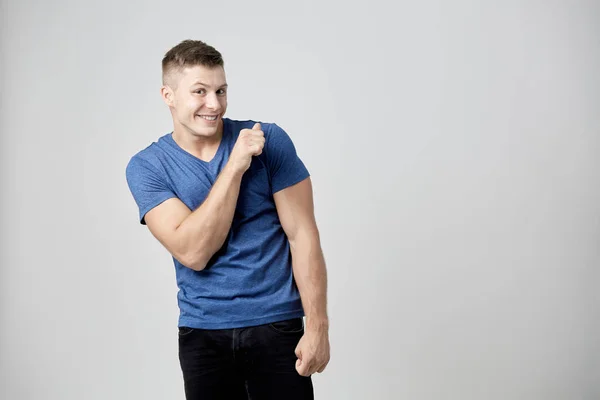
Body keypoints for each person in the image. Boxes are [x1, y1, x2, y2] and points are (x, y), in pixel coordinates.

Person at [125, 39, 330, 400]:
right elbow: (193, 252)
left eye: (221, 90)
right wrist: (235, 166)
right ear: (168, 95)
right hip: (203, 334)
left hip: (277, 325)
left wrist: (317, 326)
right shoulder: (147, 167)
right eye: (200, 91)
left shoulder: (269, 140)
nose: (214, 104)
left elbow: (303, 235)